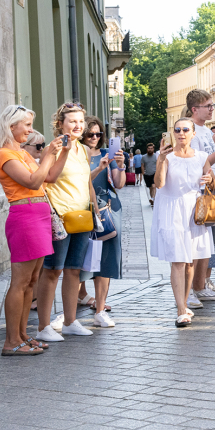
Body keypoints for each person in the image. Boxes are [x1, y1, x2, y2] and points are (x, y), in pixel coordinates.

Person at [0, 105, 63, 355]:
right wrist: (46, 156)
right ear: (11, 126)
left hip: (39, 216)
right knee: (21, 281)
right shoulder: (5, 155)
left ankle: (22, 336)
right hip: (24, 218)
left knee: (32, 281)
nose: (30, 130)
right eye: (26, 124)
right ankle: (11, 341)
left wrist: (61, 152)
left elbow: (50, 177)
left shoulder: (22, 154)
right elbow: (33, 181)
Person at [35, 102, 101, 342]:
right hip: (60, 217)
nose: (78, 126)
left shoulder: (83, 150)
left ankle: (70, 321)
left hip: (82, 216)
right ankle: (43, 326)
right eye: (72, 121)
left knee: (74, 270)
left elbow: (86, 183)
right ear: (60, 123)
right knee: (52, 270)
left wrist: (94, 208)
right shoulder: (53, 148)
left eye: (81, 122)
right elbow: (47, 179)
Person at [150, 118, 215, 326]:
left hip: (195, 211)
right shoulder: (167, 156)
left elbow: (212, 180)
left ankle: (185, 303)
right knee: (178, 260)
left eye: (186, 129)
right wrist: (160, 159)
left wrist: (209, 180)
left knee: (190, 262)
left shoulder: (202, 157)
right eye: (177, 130)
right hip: (172, 210)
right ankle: (180, 309)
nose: (181, 133)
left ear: (193, 133)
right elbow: (159, 184)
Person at [182, 90, 215, 308]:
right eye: (208, 106)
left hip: (211, 188)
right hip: (198, 191)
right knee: (194, 244)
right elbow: (193, 163)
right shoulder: (189, 130)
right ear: (195, 109)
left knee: (206, 243)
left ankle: (200, 286)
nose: (212, 109)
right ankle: (191, 290)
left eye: (212, 105)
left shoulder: (203, 130)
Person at [82, 116, 126, 327]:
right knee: (78, 259)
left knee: (106, 259)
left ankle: (100, 309)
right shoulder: (77, 154)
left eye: (99, 134)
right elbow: (77, 182)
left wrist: (121, 165)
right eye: (90, 134)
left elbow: (118, 184)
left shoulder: (108, 154)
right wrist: (99, 168)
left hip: (107, 210)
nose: (95, 138)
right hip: (83, 209)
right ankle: (71, 309)